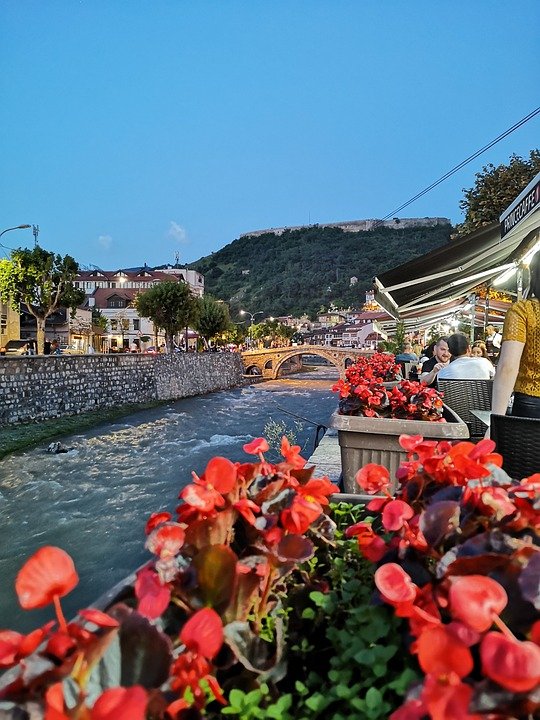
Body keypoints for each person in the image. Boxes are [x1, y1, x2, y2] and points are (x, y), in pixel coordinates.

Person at [491, 252, 540, 418]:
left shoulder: (523, 310)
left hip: (531, 404)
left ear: (533, 274)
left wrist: (496, 419)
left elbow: (507, 367)